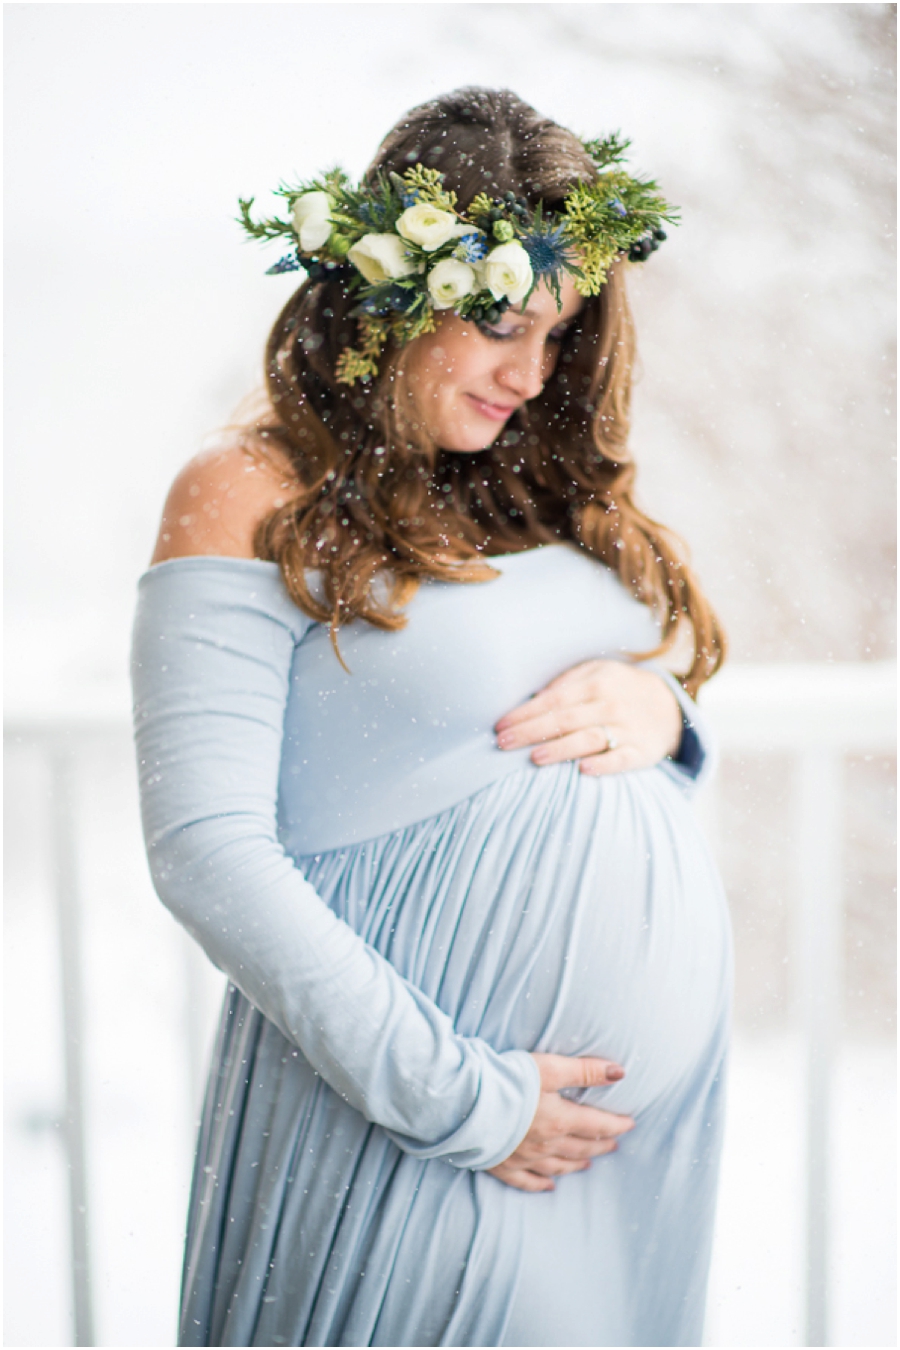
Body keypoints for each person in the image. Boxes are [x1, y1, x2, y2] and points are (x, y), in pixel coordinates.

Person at [132, 87, 731, 1348]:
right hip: (426, 1123)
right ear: (387, 295)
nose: (532, 373)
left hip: (604, 1150)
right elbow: (207, 850)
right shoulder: (249, 487)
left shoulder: (523, 478)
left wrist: (663, 713)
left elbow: (550, 687)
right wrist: (467, 1100)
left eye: (562, 337)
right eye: (504, 324)